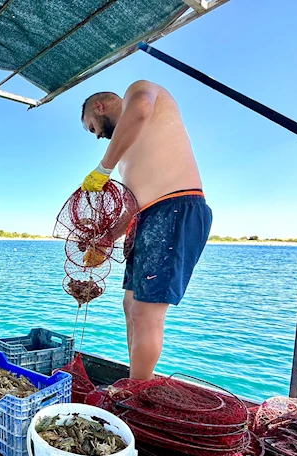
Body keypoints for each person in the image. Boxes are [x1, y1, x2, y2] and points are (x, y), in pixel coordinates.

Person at [80, 80, 212, 380]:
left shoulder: (137, 92)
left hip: (176, 208)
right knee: (130, 306)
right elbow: (132, 205)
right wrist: (108, 238)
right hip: (146, 217)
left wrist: (103, 169)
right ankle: (137, 381)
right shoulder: (128, 153)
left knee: (145, 313)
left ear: (99, 108)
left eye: (93, 127)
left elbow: (139, 110)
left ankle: (137, 394)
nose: (98, 136)